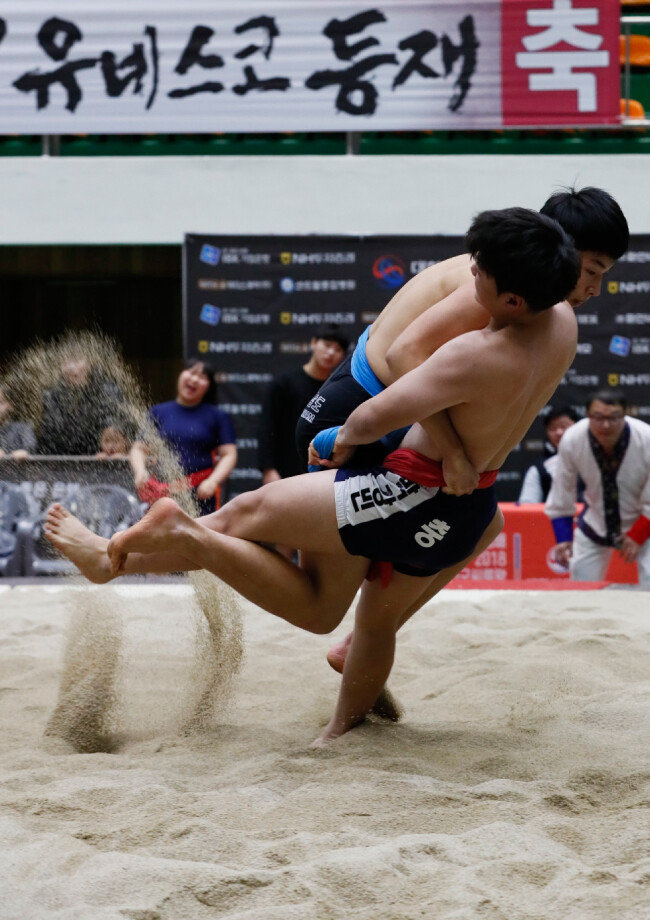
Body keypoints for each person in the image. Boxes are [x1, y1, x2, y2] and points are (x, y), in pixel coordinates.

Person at [45, 207, 581, 745]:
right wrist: (453, 455)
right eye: (594, 270)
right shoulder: (560, 325)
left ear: (517, 294)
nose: (469, 276)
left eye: (479, 274)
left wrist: (348, 441)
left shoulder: (479, 346)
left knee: (310, 591)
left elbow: (382, 403)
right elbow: (409, 363)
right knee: (355, 607)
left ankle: (158, 545)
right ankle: (341, 725)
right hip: (443, 481)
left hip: (397, 460)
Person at [297, 186, 628, 490]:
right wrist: (452, 452)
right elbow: (403, 355)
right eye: (592, 271)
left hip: (377, 414)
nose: (595, 289)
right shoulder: (495, 289)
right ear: (563, 250)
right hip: (348, 416)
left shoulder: (511, 282)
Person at [546, 389, 650, 587]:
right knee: (580, 588)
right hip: (595, 522)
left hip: (644, 522)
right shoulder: (572, 439)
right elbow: (562, 490)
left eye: (614, 418)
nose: (606, 425)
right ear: (587, 416)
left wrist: (638, 534)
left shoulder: (646, 439)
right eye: (598, 417)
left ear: (625, 415)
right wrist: (563, 537)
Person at [130, 359, 237, 515]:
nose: (194, 379)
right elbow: (139, 449)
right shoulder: (158, 412)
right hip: (162, 494)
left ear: (208, 386)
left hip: (200, 493)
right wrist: (140, 471)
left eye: (202, 377)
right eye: (191, 372)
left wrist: (212, 481)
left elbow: (229, 454)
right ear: (181, 375)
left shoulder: (217, 416)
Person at [258, 325, 349, 484]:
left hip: (323, 473)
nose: (330, 353)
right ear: (314, 343)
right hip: (284, 471)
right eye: (327, 345)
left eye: (338, 349)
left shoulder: (338, 389)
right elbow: (267, 428)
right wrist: (269, 470)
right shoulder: (284, 383)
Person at [38, 352, 123, 456]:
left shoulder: (109, 391)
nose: (73, 368)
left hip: (99, 460)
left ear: (90, 363)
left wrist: (108, 451)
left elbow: (113, 428)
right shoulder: (50, 396)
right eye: (66, 362)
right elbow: (47, 440)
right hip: (61, 463)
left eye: (77, 360)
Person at [518, 405, 581, 503]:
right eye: (553, 428)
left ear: (578, 427)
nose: (559, 432)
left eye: (564, 426)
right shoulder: (539, 469)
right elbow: (527, 507)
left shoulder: (595, 458)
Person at [0, 383, 37, 461]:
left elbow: (31, 446)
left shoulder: (23, 428)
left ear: (11, 406)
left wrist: (23, 452)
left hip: (15, 472)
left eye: (0, 402)